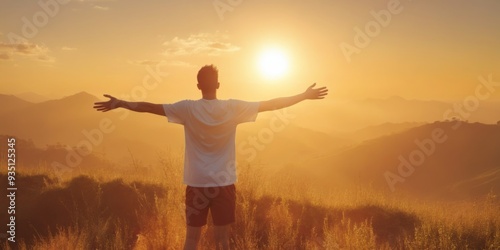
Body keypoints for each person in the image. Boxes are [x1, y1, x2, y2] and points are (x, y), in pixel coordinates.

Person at [93, 64, 328, 250]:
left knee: (191, 240)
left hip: (196, 183)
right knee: (222, 241)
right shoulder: (232, 107)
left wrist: (121, 103)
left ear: (198, 86)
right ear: (218, 84)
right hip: (223, 184)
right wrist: (303, 95)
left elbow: (150, 107)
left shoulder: (186, 108)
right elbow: (271, 105)